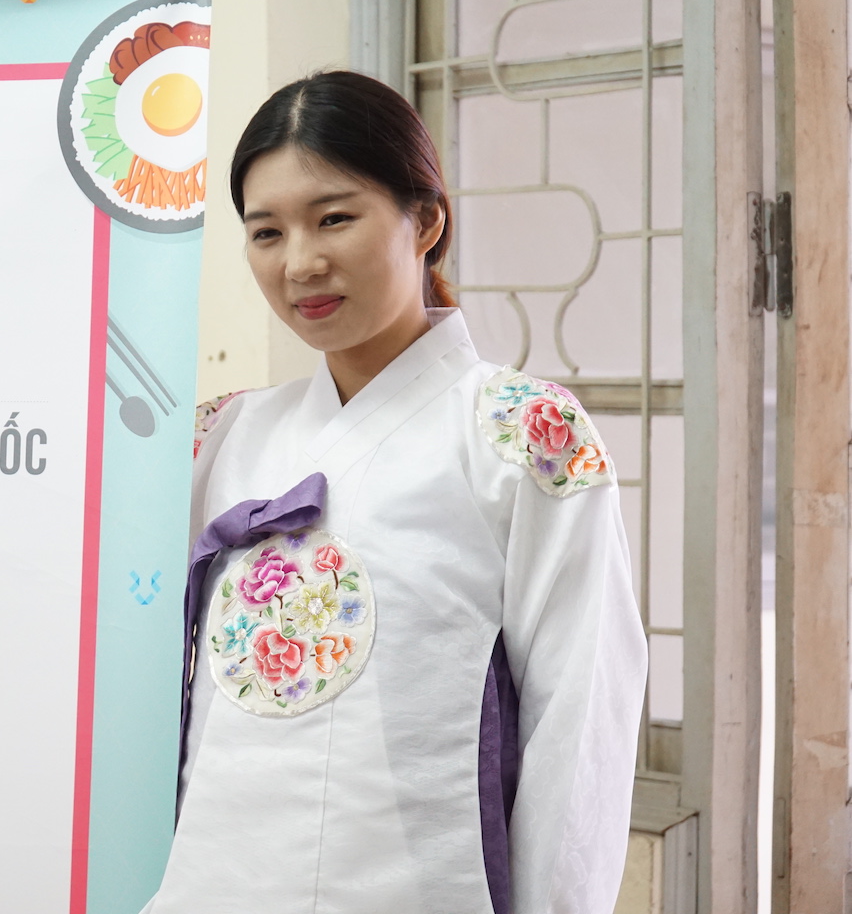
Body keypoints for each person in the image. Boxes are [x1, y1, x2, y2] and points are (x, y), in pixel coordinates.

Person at [142, 72, 647, 914]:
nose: (300, 262)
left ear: (427, 221)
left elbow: (582, 717)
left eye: (334, 218)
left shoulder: (521, 434)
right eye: (267, 232)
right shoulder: (221, 437)